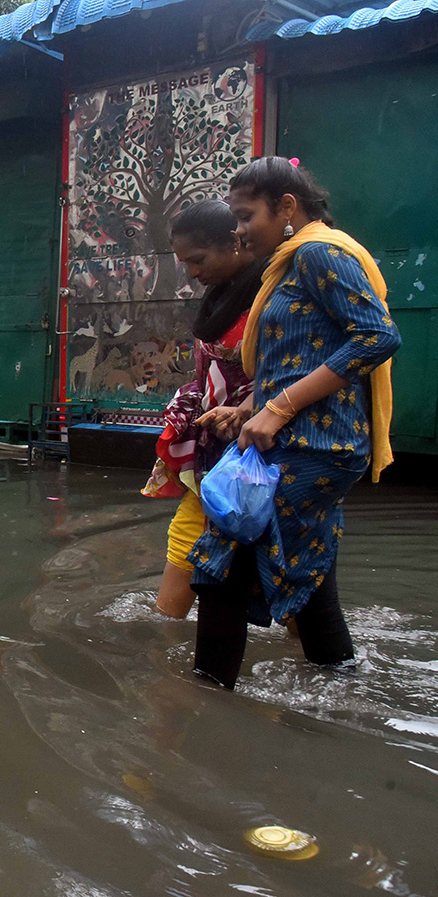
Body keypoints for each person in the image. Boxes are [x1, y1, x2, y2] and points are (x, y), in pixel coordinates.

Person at [188, 156, 401, 690]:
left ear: (287, 207)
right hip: (303, 437)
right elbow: (303, 353)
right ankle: (343, 692)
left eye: (245, 216)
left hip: (313, 442)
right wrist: (246, 408)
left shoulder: (317, 254)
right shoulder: (292, 261)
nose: (238, 232)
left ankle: (199, 710)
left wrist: (278, 409)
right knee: (311, 573)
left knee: (222, 568)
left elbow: (376, 337)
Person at [142, 200, 265, 617]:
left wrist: (249, 408)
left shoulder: (273, 295)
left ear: (234, 243)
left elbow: (294, 371)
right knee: (188, 535)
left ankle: (313, 659)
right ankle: (162, 640)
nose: (192, 273)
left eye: (198, 259)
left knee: (282, 562)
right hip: (216, 450)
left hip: (263, 451)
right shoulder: (221, 298)